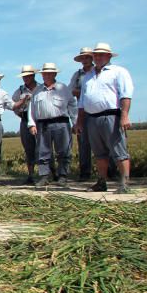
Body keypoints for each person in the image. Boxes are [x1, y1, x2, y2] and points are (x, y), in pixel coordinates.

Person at [75, 42, 134, 194]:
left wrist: (124, 115)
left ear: (108, 56)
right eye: (96, 55)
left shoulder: (118, 72)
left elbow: (125, 95)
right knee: (99, 153)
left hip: (111, 115)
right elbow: (82, 101)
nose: (98, 57)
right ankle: (102, 182)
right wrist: (80, 121)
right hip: (92, 118)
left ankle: (125, 183)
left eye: (101, 54)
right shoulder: (88, 76)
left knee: (119, 151)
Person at [27, 63, 76, 187]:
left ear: (55, 74)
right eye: (44, 73)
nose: (46, 75)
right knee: (43, 152)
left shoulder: (63, 88)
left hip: (61, 122)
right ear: (41, 75)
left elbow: (72, 105)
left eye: (49, 73)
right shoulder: (37, 91)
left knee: (64, 151)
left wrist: (75, 122)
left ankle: (63, 176)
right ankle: (44, 176)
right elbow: (31, 109)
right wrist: (31, 124)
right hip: (43, 124)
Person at [69, 47, 95, 180]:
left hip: (97, 111)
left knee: (103, 142)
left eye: (87, 57)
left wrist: (82, 93)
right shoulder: (77, 75)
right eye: (83, 58)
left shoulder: (99, 72)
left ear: (92, 58)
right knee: (83, 144)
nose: (85, 60)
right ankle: (85, 173)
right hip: (81, 111)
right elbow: (70, 91)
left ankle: (109, 172)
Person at [11, 65, 38, 184]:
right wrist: (21, 115)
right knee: (28, 149)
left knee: (44, 147)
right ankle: (31, 175)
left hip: (40, 119)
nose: (26, 78)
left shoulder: (40, 88)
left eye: (28, 76)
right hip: (25, 120)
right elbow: (13, 105)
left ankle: (49, 173)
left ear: (33, 75)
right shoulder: (20, 91)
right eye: (24, 76)